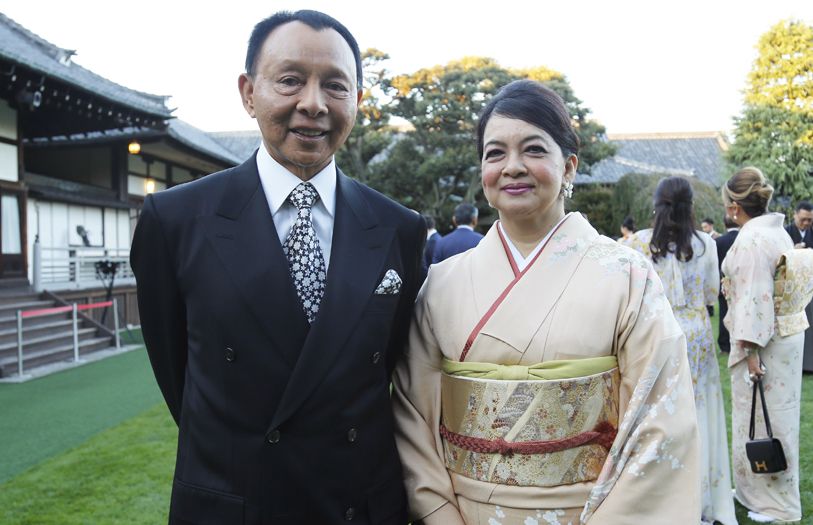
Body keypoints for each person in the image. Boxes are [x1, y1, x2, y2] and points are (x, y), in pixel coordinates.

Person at [130, 10, 425, 524]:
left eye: (335, 85)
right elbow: (175, 368)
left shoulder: (398, 227)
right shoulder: (174, 220)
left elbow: (385, 364)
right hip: (235, 501)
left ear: (357, 102)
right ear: (248, 92)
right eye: (290, 80)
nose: (312, 103)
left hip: (358, 502)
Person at [392, 80, 700, 525]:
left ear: (569, 166)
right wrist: (439, 514)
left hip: (592, 512)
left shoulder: (627, 276)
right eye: (495, 153)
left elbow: (660, 422)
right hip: (463, 513)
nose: (512, 167)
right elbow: (412, 416)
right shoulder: (441, 284)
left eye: (533, 150)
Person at [629, 177, 737, 525]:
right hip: (696, 331)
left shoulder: (638, 243)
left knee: (656, 412)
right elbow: (710, 295)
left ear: (656, 205)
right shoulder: (706, 243)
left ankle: (660, 499)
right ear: (691, 207)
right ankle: (707, 497)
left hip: (657, 330)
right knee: (701, 410)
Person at [721, 167, 813, 523]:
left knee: (766, 417)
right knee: (773, 415)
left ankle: (776, 504)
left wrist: (751, 353)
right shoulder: (777, 233)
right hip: (787, 333)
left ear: (733, 206)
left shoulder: (751, 241)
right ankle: (752, 492)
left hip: (765, 341)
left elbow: (754, 300)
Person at [715, 215, 739, 353]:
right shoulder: (743, 238)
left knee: (724, 312)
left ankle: (725, 344)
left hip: (724, 281)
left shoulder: (718, 241)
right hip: (741, 282)